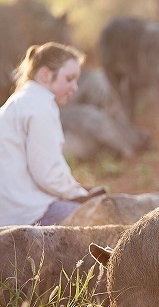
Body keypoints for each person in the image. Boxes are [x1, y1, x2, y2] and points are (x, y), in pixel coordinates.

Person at [0, 42, 105, 227]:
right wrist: (80, 195)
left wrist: (77, 190)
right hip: (28, 215)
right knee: (105, 220)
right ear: (46, 75)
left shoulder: (21, 99)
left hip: (11, 211)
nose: (75, 87)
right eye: (69, 78)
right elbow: (47, 174)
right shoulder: (40, 104)